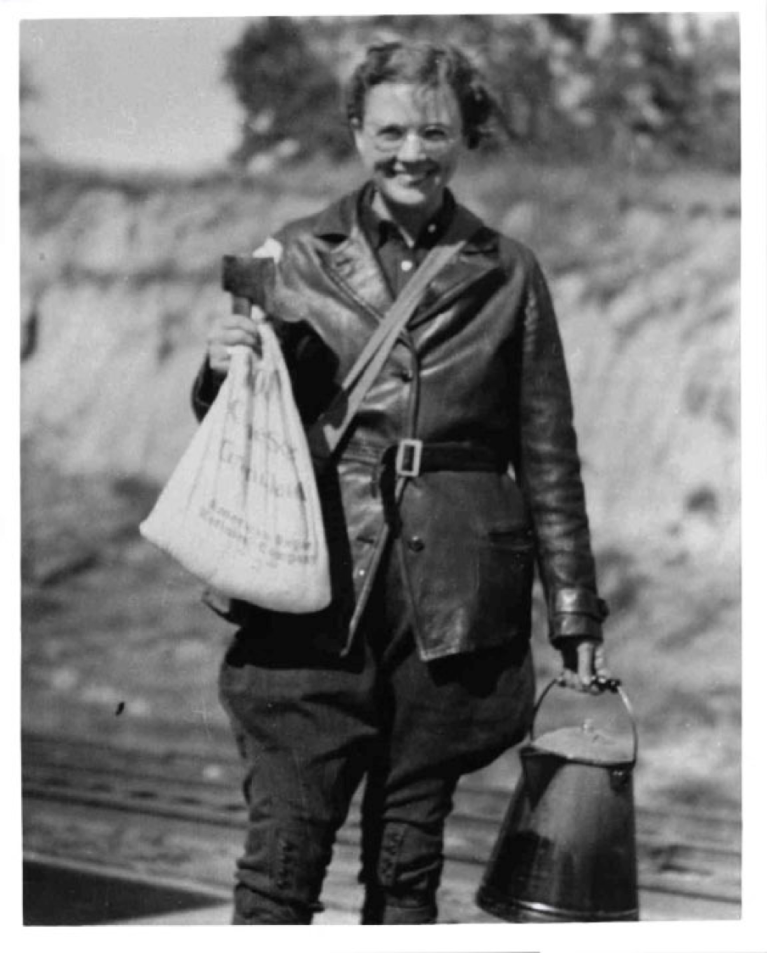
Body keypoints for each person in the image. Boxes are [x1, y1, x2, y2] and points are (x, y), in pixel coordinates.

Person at [192, 40, 610, 926]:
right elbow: (244, 427)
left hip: (453, 601)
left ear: (464, 137)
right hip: (309, 590)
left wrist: (574, 613)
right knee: (281, 861)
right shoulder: (293, 257)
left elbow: (547, 455)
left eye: (434, 130)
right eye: (389, 130)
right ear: (354, 132)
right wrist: (219, 372)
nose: (410, 152)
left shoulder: (509, 271)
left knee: (407, 866)